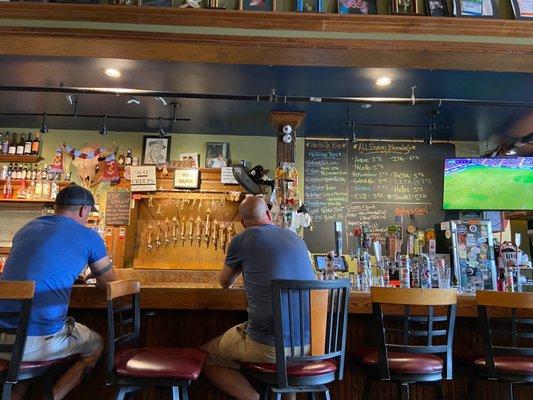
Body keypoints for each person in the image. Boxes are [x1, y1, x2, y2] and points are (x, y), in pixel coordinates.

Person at [0, 184, 117, 400]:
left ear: (56, 207)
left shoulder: (25, 229)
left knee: (21, 368)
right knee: (97, 344)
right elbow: (109, 283)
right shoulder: (88, 236)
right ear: (83, 210)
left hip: (2, 338)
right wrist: (93, 276)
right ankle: (52, 396)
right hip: (38, 342)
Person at [202, 196, 315, 400]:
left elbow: (224, 282)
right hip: (309, 345)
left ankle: (253, 398)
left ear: (243, 223)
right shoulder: (296, 238)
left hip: (269, 347)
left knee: (207, 355)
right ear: (269, 215)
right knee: (285, 360)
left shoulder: (242, 239)